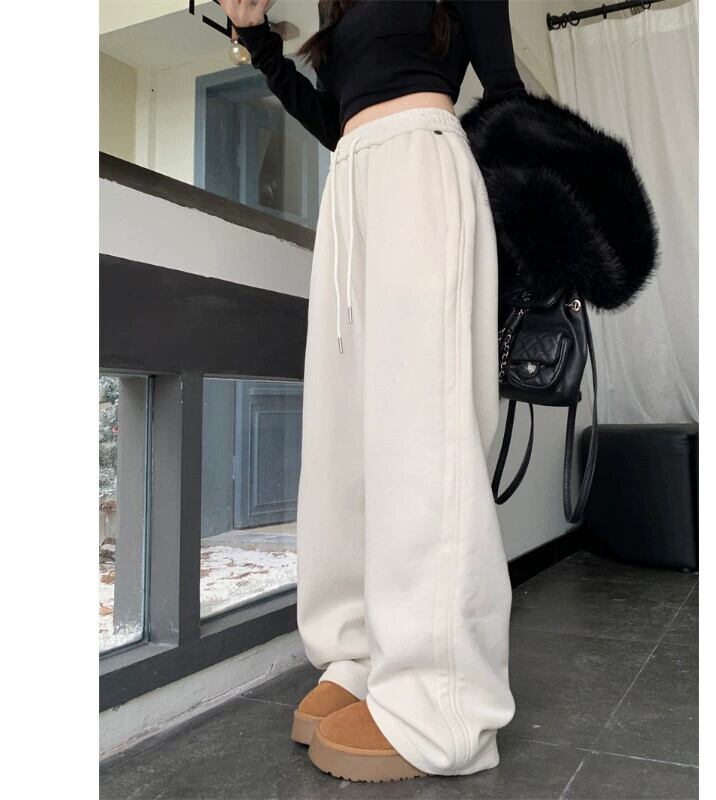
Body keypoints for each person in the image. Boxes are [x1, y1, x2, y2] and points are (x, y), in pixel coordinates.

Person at [222, 0, 528, 783]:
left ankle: (443, 702)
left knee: (423, 437)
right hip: (351, 181)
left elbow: (504, 93)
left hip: (424, 166)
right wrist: (259, 42)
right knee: (345, 437)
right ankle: (360, 654)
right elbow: (335, 120)